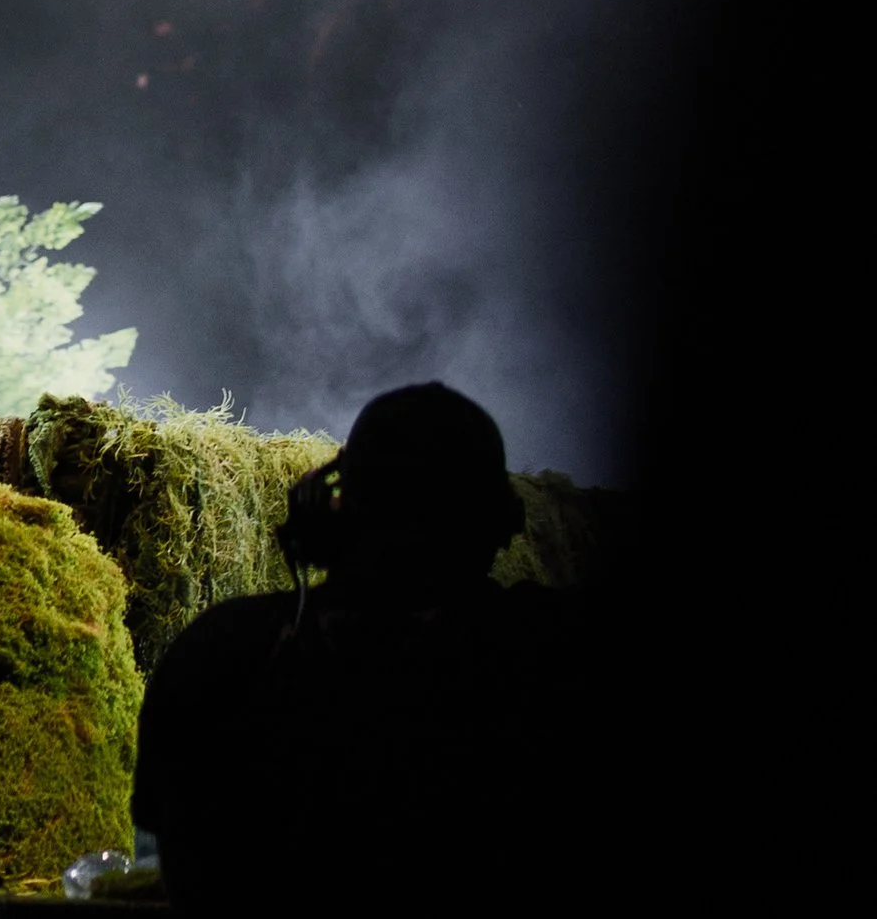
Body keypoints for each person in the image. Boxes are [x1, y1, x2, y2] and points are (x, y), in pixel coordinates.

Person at [130, 381, 617, 911]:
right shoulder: (549, 653)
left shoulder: (222, 649)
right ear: (500, 525)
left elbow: (174, 862)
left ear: (323, 508)